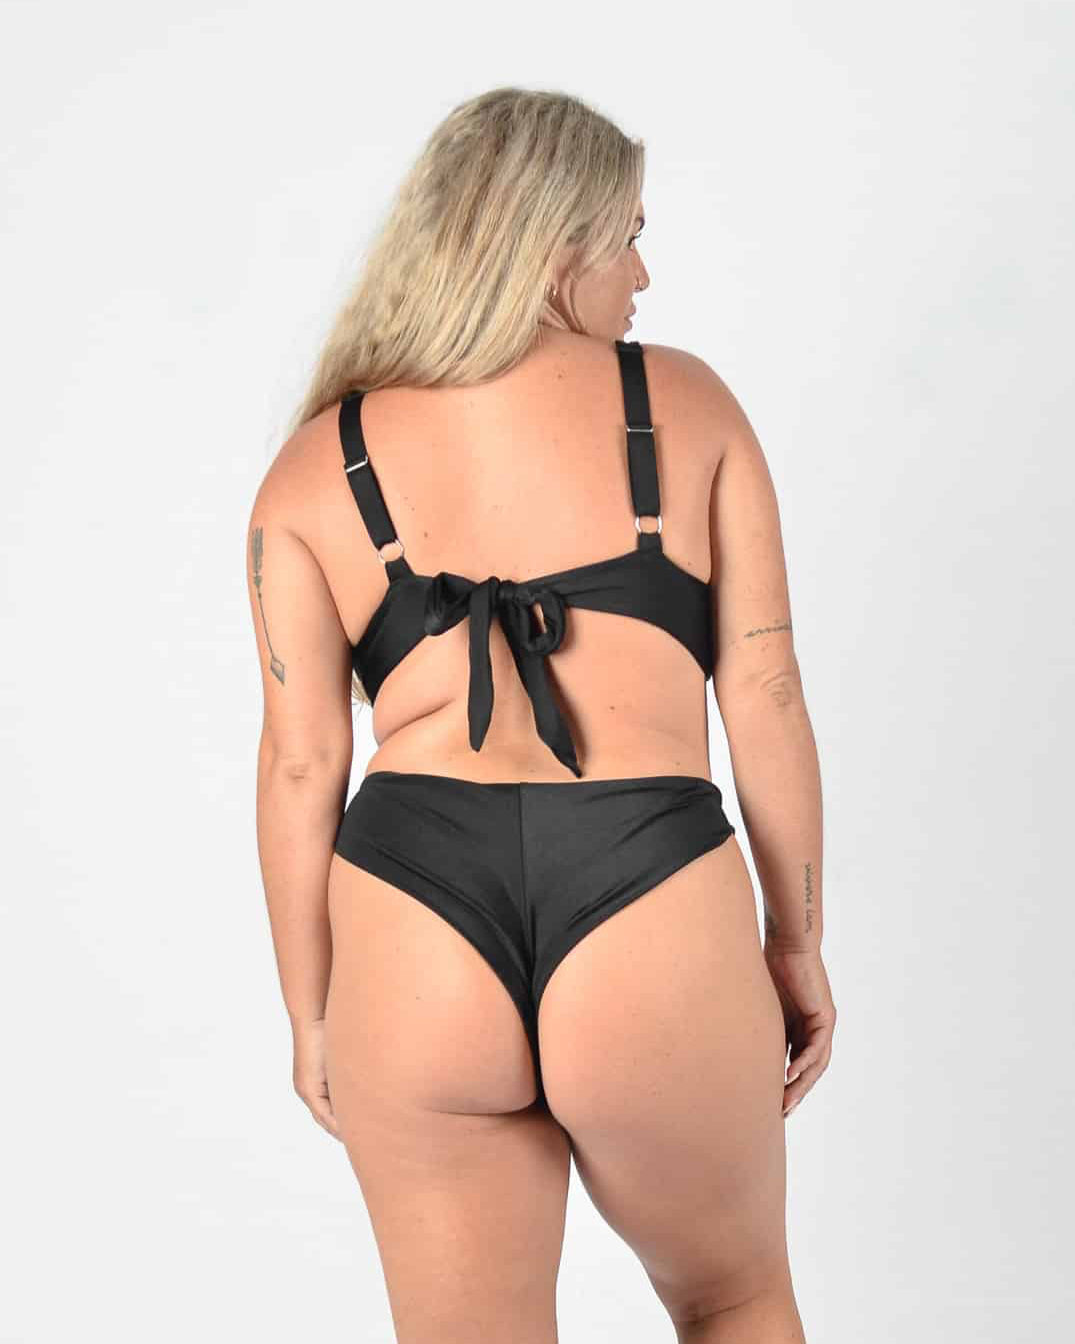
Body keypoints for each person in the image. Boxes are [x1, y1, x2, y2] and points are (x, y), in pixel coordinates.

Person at [246, 86, 835, 1344]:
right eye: (627, 236)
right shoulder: (684, 405)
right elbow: (766, 693)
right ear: (552, 243)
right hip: (645, 878)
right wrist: (795, 943)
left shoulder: (315, 463)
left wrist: (312, 1011)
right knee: (733, 1300)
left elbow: (301, 765)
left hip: (412, 911)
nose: (642, 273)